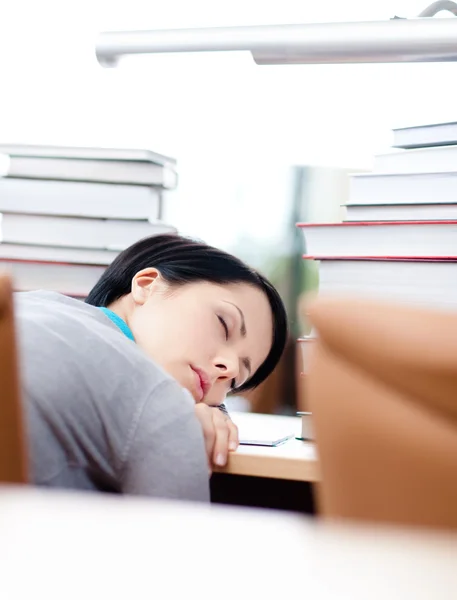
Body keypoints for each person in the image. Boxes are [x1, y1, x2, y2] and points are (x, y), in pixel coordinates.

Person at [15, 234, 287, 502]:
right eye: (223, 324)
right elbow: (170, 538)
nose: (226, 368)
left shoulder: (30, 305)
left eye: (234, 382)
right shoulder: (158, 399)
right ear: (147, 285)